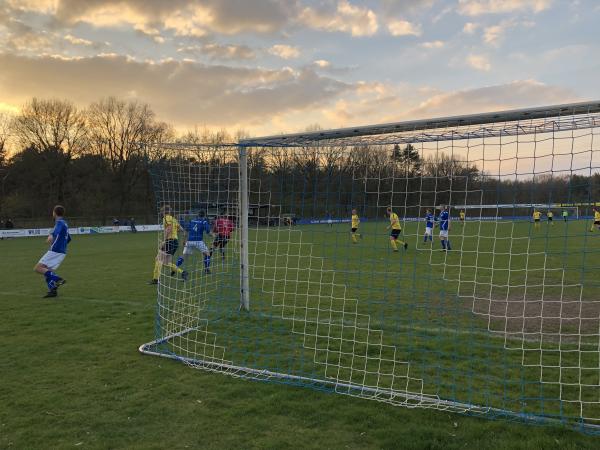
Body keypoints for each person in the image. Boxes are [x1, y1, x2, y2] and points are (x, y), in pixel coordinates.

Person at [34, 205, 70, 298]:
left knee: (38, 268)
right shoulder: (65, 223)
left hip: (55, 250)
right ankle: (53, 291)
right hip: (62, 251)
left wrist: (51, 236)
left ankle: (58, 279)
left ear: (54, 212)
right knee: (47, 271)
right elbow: (69, 238)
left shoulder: (59, 222)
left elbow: (56, 232)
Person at [149, 205, 187, 285]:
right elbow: (183, 231)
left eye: (162, 212)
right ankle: (183, 272)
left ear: (163, 212)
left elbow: (169, 228)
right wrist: (184, 240)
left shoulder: (166, 218)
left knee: (158, 259)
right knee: (166, 262)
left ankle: (156, 279)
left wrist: (164, 241)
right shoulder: (174, 219)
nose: (161, 213)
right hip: (175, 242)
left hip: (169, 241)